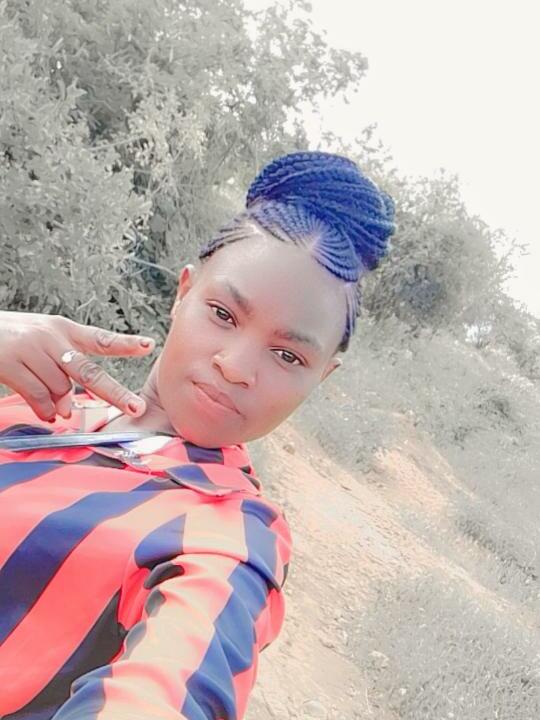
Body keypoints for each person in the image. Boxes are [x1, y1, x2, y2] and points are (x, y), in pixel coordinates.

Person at [0, 151, 395, 719]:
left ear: (321, 376)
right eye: (224, 315)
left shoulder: (226, 537)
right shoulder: (48, 401)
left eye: (287, 355)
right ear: (182, 293)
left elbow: (174, 681)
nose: (235, 366)